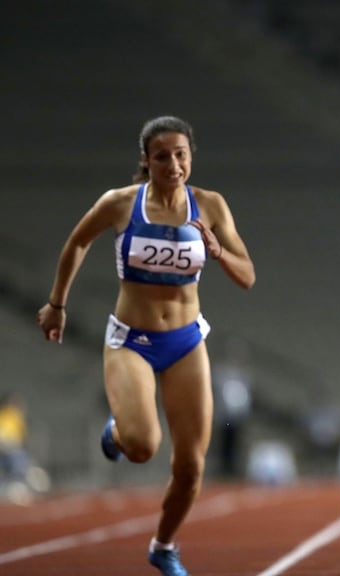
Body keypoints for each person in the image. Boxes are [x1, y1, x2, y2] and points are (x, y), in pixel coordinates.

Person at [37, 116, 256, 576]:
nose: (173, 164)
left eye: (181, 154)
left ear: (191, 155)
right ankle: (117, 433)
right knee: (141, 446)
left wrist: (217, 251)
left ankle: (164, 546)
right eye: (162, 156)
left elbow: (248, 276)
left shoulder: (211, 206)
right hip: (131, 340)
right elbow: (77, 242)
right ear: (145, 160)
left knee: (192, 467)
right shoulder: (120, 203)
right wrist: (57, 304)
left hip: (185, 341)